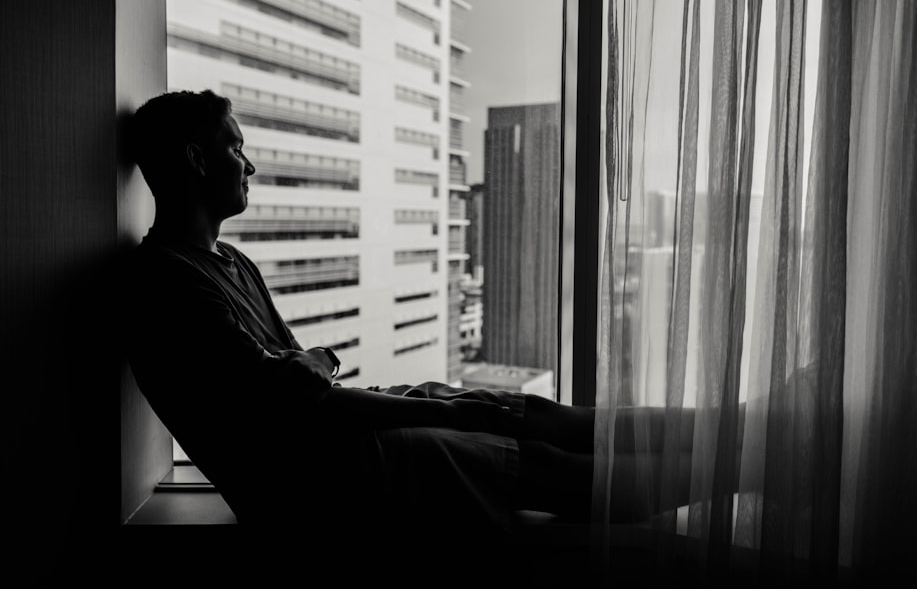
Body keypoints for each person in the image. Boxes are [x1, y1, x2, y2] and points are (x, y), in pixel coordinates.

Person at [119, 90, 690, 567]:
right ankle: (746, 463)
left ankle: (749, 426)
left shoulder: (231, 261)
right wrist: (402, 401)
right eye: (235, 148)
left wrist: (317, 369)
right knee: (535, 461)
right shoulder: (164, 280)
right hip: (316, 483)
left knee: (525, 413)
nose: (249, 166)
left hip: (329, 441)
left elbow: (303, 382)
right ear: (196, 160)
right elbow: (291, 396)